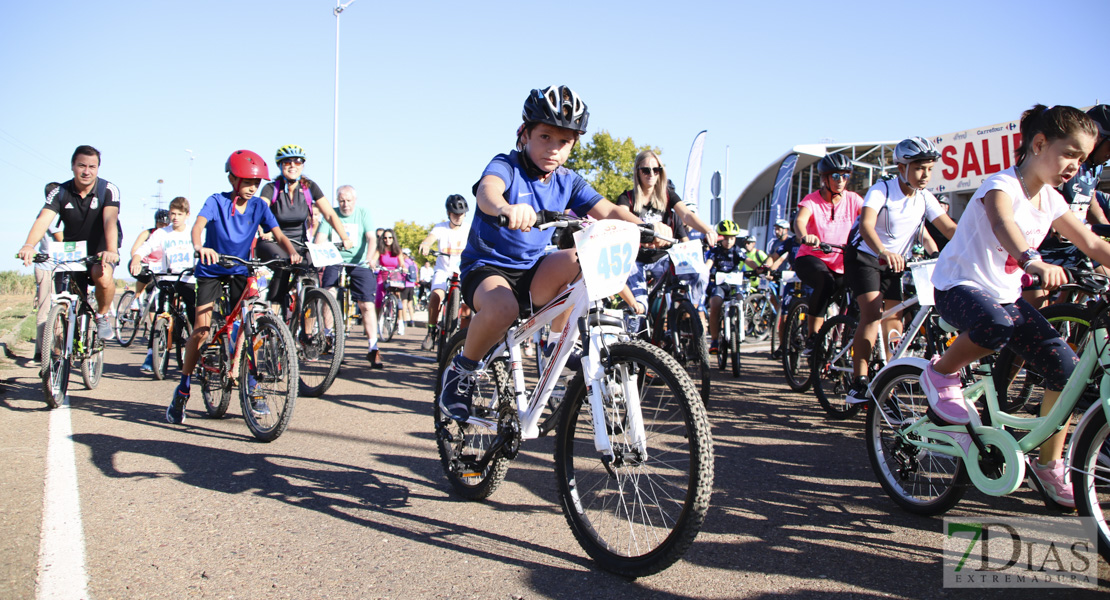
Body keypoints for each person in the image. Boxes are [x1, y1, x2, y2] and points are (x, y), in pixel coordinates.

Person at [438, 85, 670, 423]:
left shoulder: (569, 181)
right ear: (525, 134)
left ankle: (555, 345)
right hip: (487, 268)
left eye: (564, 142)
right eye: (545, 137)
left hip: (534, 272)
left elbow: (609, 210)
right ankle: (461, 372)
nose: (553, 149)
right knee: (504, 308)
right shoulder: (507, 165)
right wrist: (505, 208)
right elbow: (488, 191)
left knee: (582, 261)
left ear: (573, 145)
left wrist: (649, 227)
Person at [925, 105, 1105, 508]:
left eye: (1083, 158)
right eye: (1070, 154)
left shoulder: (1052, 200)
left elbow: (1091, 243)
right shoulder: (1000, 185)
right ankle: (939, 374)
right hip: (958, 286)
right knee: (996, 323)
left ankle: (1048, 462)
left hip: (1002, 296)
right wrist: (1031, 261)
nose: (1077, 165)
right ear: (1039, 144)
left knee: (1066, 370)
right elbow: (1004, 224)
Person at [166, 150, 301, 425]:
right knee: (201, 331)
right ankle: (183, 387)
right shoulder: (216, 201)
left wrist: (292, 253)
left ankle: (253, 385)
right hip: (212, 269)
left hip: (241, 268)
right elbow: (198, 226)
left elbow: (278, 234)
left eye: (256, 182)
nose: (252, 187)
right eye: (247, 181)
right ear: (232, 179)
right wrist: (200, 247)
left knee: (251, 324)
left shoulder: (259, 206)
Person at [843, 137, 957, 402]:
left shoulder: (925, 197)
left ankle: (886, 382)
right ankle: (858, 381)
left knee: (894, 320)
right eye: (919, 168)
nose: (925, 174)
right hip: (866, 256)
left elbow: (949, 228)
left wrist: (974, 245)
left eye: (929, 168)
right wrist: (884, 252)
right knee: (872, 314)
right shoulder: (882, 189)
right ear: (901, 167)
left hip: (897, 262)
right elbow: (866, 226)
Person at [17, 145, 121, 341]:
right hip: (73, 247)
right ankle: (60, 348)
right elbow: (43, 220)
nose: (86, 171)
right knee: (66, 296)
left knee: (103, 275)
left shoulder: (108, 190)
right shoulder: (59, 191)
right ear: (73, 166)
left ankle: (102, 315)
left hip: (102, 246)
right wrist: (29, 245)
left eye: (92, 166)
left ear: (98, 168)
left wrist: (111, 250)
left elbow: (110, 221)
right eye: (81, 165)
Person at [616, 150, 717, 313]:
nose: (651, 174)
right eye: (645, 170)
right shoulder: (627, 197)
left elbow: (687, 215)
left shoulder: (667, 195)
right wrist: (649, 228)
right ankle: (634, 331)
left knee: (700, 272)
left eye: (656, 170)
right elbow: (619, 217)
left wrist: (707, 230)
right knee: (640, 307)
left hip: (662, 259)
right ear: (637, 172)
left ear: (660, 173)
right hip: (636, 259)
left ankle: (691, 311)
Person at [256, 145, 352, 313]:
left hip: (300, 243)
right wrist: (263, 230)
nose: (293, 165)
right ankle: (274, 319)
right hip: (273, 242)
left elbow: (329, 214)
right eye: (287, 162)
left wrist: (344, 237)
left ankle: (308, 333)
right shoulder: (271, 189)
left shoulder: (309, 188)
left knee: (311, 275)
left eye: (297, 162)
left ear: (302, 165)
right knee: (283, 265)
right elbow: (258, 211)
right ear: (280, 165)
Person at [794, 153, 864, 352]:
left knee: (860, 292)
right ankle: (812, 337)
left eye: (845, 176)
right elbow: (800, 221)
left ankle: (843, 341)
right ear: (824, 178)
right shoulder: (812, 200)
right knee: (826, 282)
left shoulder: (853, 200)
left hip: (843, 260)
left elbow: (870, 219)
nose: (841, 181)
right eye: (835, 176)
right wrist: (805, 235)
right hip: (812, 256)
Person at [314, 184, 382, 367]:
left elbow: (371, 238)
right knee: (328, 293)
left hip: (359, 262)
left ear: (355, 200)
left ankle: (373, 347)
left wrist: (369, 257)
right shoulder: (331, 214)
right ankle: (328, 335)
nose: (345, 205)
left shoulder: (363, 213)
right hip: (335, 260)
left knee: (366, 304)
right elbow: (320, 239)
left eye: (348, 201)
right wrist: (318, 252)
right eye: (342, 201)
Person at [129, 197, 197, 373]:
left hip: (188, 279)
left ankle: (197, 350)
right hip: (167, 278)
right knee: (161, 313)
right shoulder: (161, 233)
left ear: (187, 215)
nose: (175, 218)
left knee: (193, 313)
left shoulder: (193, 232)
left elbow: (203, 248)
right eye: (172, 214)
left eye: (179, 214)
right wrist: (136, 258)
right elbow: (145, 248)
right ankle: (152, 354)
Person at [418, 194, 472, 351]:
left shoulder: (469, 229)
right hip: (443, 270)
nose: (458, 217)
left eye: (461, 214)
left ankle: (463, 339)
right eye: (455, 214)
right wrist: (426, 244)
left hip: (463, 271)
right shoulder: (441, 227)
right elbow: (430, 238)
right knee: (436, 296)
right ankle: (431, 331)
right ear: (449, 213)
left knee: (468, 305)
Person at [705, 221, 758, 354]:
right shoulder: (715, 251)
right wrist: (704, 271)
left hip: (734, 284)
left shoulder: (737, 250)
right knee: (715, 304)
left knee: (741, 301)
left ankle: (741, 328)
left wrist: (759, 268)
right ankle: (715, 340)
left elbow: (748, 261)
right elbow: (709, 264)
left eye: (732, 238)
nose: (729, 242)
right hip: (720, 285)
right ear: (720, 237)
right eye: (726, 238)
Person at [32, 183, 64, 363]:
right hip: (49, 267)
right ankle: (46, 351)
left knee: (50, 308)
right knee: (49, 309)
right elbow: (63, 240)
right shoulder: (52, 215)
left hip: (51, 266)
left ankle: (47, 349)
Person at [127, 209, 171, 309]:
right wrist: (137, 262)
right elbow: (134, 249)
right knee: (144, 276)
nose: (163, 227)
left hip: (161, 266)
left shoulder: (170, 235)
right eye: (160, 224)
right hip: (145, 263)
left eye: (165, 225)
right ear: (156, 223)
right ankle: (137, 297)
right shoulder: (147, 233)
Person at [369, 228, 404, 344]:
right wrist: (373, 264)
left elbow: (402, 263)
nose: (387, 240)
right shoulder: (380, 250)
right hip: (382, 276)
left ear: (393, 239)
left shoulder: (397, 251)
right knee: (379, 300)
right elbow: (373, 260)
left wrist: (404, 268)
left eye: (390, 237)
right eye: (385, 238)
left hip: (394, 277)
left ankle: (399, 321)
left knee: (397, 298)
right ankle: (375, 322)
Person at [401, 248, 417, 329]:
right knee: (410, 304)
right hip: (412, 285)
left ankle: (404, 321)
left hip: (405, 285)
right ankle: (412, 320)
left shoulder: (404, 263)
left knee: (404, 304)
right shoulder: (413, 264)